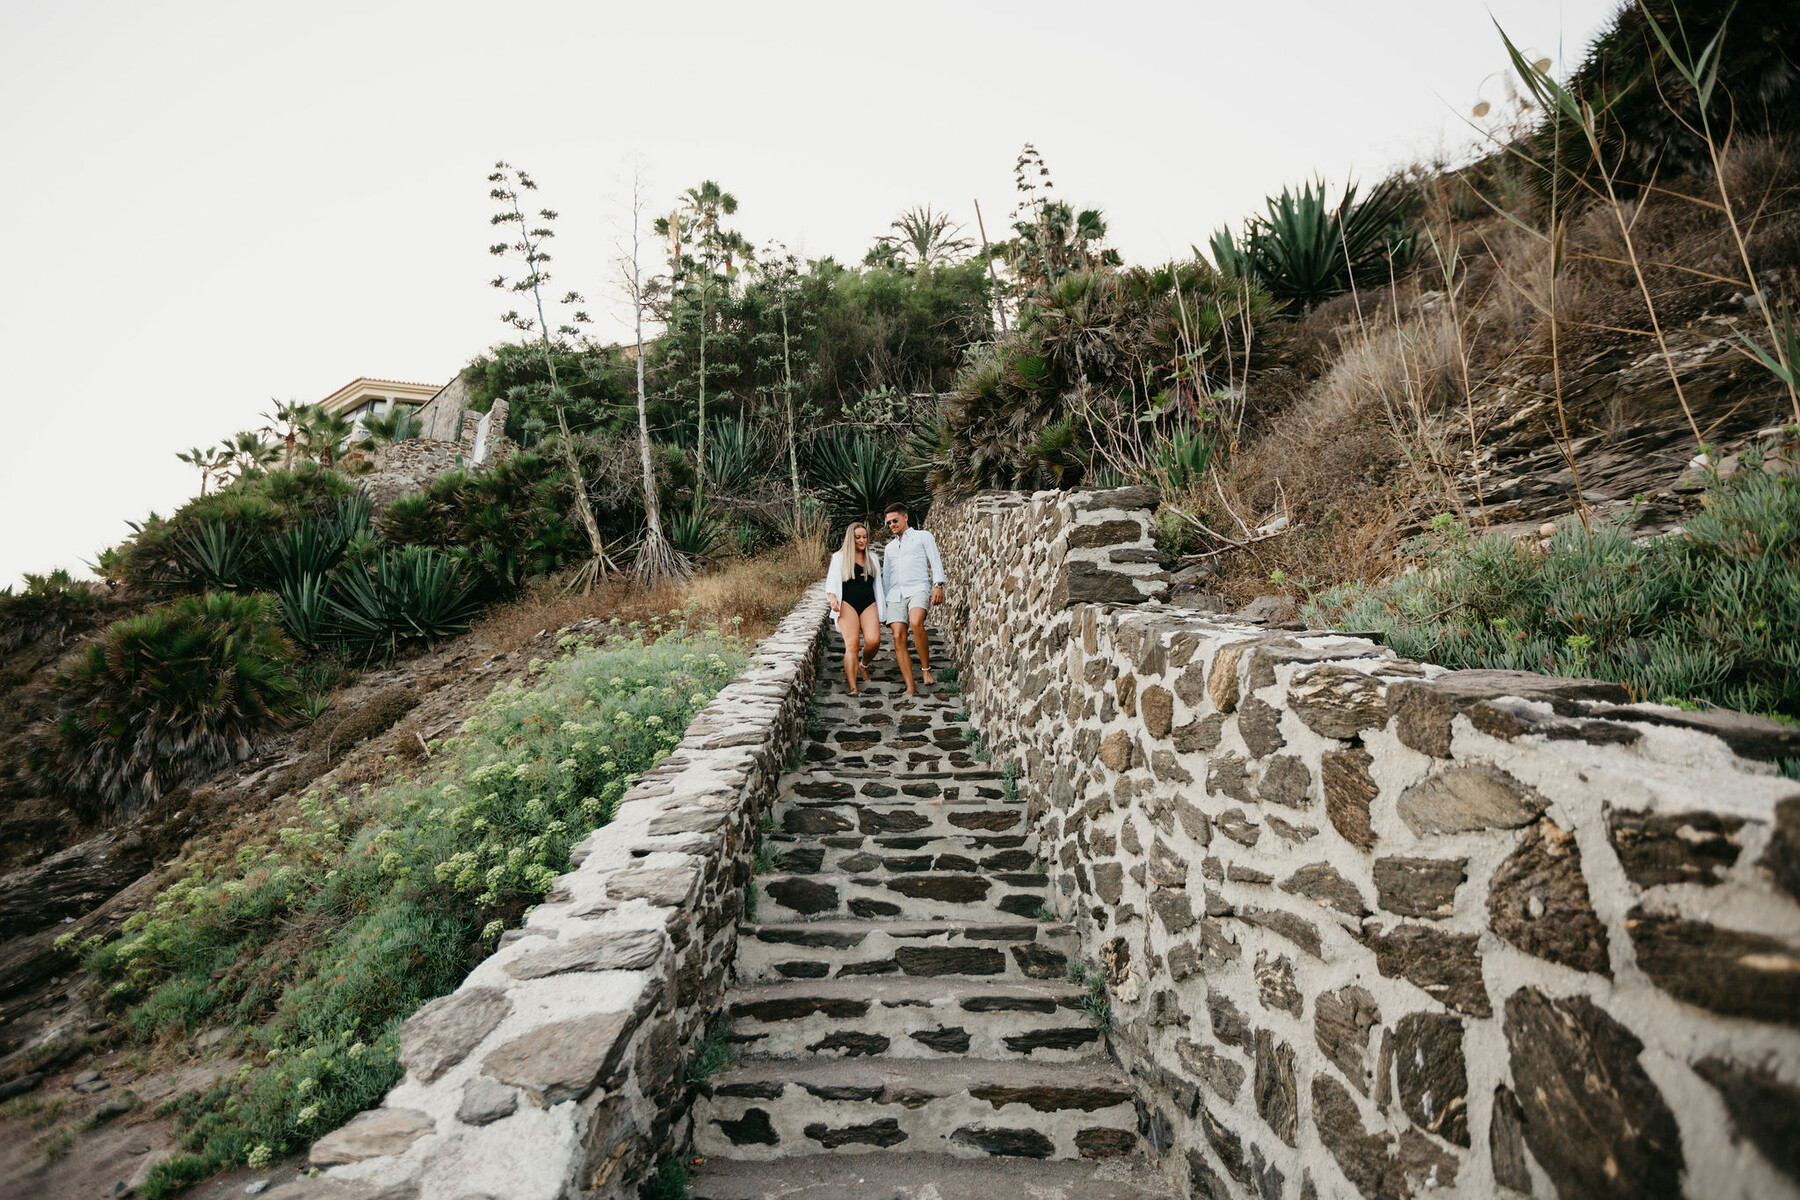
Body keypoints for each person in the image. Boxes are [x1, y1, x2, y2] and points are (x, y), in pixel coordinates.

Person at [880, 502, 946, 694]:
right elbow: (887, 577)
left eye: (895, 520)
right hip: (895, 594)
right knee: (897, 636)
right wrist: (884, 607)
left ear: (905, 517)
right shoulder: (890, 548)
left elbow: (935, 560)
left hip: (919, 588)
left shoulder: (923, 537)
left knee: (916, 622)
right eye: (889, 523)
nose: (892, 525)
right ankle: (910, 687)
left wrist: (938, 585)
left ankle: (926, 671)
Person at [825, 522, 884, 694]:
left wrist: (883, 611)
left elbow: (878, 585)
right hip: (847, 604)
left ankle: (863, 665)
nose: (862, 540)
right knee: (852, 644)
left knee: (874, 641)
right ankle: (853, 687)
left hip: (868, 602)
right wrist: (833, 599)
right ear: (851, 538)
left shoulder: (872, 558)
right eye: (858, 537)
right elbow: (831, 582)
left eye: (864, 537)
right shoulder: (839, 557)